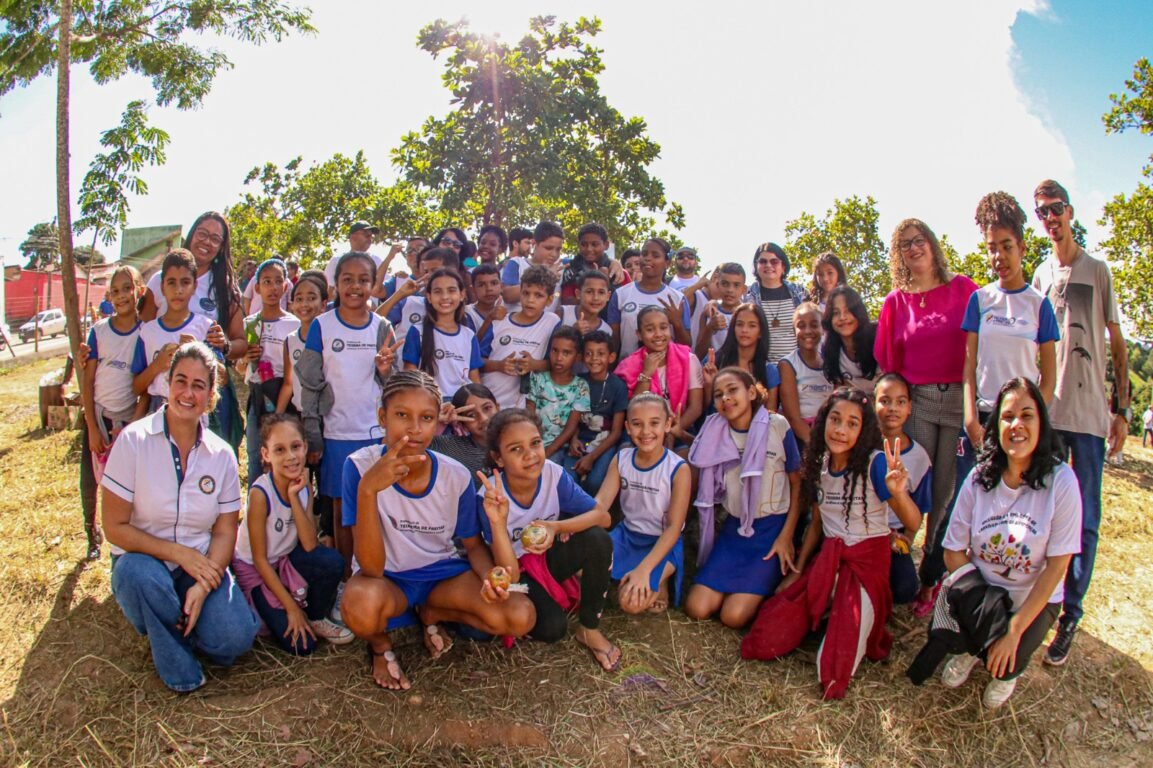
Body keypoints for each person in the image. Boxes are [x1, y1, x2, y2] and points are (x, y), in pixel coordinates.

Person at [341, 371, 535, 689]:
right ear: (382, 417)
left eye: (427, 418)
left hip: (441, 577)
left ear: (437, 422)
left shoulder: (454, 475)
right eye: (402, 415)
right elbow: (371, 568)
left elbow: (473, 545)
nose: (415, 428)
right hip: (388, 581)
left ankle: (430, 612)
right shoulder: (359, 467)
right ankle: (380, 646)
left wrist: (489, 579)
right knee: (360, 607)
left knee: (519, 615)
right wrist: (368, 490)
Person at [916, 191, 1061, 616]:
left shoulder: (1039, 306)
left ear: (1022, 246)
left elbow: (1049, 377)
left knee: (1011, 507)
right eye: (992, 248)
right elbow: (969, 365)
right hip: (981, 419)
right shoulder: (980, 301)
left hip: (1020, 424)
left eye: (1006, 246)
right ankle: (932, 581)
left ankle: (1006, 591)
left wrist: (1031, 420)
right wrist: (970, 419)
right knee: (960, 501)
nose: (999, 256)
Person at [741, 388, 922, 700]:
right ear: (823, 421)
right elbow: (817, 524)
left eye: (852, 424)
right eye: (835, 420)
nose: (840, 430)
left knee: (834, 668)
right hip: (831, 560)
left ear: (863, 430)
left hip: (866, 566)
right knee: (767, 637)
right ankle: (828, 606)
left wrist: (899, 492)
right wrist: (798, 572)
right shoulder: (820, 464)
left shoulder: (875, 463)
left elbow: (915, 522)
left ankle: (851, 616)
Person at [101, 342, 259, 692]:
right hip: (145, 564)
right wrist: (178, 554)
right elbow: (114, 528)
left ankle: (176, 618)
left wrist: (203, 587)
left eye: (199, 385)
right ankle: (178, 665)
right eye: (181, 381)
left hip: (198, 568)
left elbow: (225, 532)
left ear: (211, 396)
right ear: (167, 384)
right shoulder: (133, 440)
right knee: (136, 575)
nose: (188, 393)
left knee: (236, 638)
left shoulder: (222, 456)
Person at [1030, 179, 1129, 666]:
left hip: (1089, 416)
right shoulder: (1040, 275)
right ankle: (1039, 602)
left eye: (1055, 209)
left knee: (1086, 519)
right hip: (1049, 414)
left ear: (1070, 212)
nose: (1050, 218)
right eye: (1041, 212)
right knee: (1043, 511)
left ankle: (1071, 613)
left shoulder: (1098, 270)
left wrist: (1122, 409)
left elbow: (1118, 343)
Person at [938, 377, 1081, 708]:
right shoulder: (978, 478)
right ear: (996, 426)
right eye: (1007, 417)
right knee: (967, 638)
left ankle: (1009, 668)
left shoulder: (1062, 481)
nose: (1016, 425)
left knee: (1004, 665)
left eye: (1027, 415)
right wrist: (984, 610)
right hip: (983, 591)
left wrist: (1013, 630)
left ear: (1042, 423)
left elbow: (1057, 566)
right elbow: (952, 551)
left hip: (1033, 599)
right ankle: (972, 650)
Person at [875, 218, 978, 613]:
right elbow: (887, 362)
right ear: (898, 254)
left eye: (919, 240)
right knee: (913, 483)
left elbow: (980, 347)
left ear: (932, 244)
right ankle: (900, 556)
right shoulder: (895, 302)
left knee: (946, 494)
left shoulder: (964, 289)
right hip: (917, 400)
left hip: (958, 401)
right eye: (905, 244)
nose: (914, 248)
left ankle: (931, 577)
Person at [478, 409, 619, 671]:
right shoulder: (489, 498)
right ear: (498, 458)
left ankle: (589, 628)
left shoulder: (553, 475)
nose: (530, 455)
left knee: (597, 539)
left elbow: (603, 517)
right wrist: (498, 521)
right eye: (516, 449)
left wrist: (557, 527)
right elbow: (511, 574)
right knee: (553, 629)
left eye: (535, 443)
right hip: (519, 571)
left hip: (549, 557)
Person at [297, 252, 400, 598]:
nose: (355, 287)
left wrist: (386, 370)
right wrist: (313, 434)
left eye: (363, 280)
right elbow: (310, 384)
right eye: (347, 279)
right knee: (342, 511)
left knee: (374, 507)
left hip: (373, 434)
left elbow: (394, 385)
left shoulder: (382, 327)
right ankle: (345, 582)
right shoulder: (321, 326)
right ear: (336, 284)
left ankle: (374, 575)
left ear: (374, 284)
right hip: (336, 434)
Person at [684, 367, 802, 627]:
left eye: (732, 390)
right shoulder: (715, 431)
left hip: (771, 531)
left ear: (751, 392)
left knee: (733, 616)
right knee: (697, 608)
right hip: (734, 530)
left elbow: (797, 483)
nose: (725, 398)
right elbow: (699, 452)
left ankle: (757, 587)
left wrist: (786, 537)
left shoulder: (777, 425)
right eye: (718, 394)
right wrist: (676, 432)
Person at [232, 415, 352, 654]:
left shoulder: (304, 485)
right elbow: (259, 560)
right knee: (302, 646)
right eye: (279, 450)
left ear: (305, 447)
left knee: (332, 561)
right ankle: (284, 604)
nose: (290, 456)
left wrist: (295, 496)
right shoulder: (260, 494)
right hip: (257, 569)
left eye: (295, 447)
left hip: (284, 558)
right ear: (266, 454)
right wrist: (291, 609)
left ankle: (316, 616)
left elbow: (309, 545)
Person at [140, 212, 249, 450]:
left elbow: (241, 343)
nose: (207, 242)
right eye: (202, 233)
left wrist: (225, 345)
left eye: (215, 238)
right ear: (191, 235)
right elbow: (141, 332)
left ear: (221, 247)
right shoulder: (158, 281)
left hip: (207, 393)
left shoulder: (225, 288)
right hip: (163, 391)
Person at [596, 394, 690, 612]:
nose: (646, 432)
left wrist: (644, 570)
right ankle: (634, 574)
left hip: (662, 541)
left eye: (654, 423)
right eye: (637, 424)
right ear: (628, 428)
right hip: (627, 535)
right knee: (580, 567)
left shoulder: (678, 468)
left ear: (667, 424)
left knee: (631, 604)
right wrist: (571, 526)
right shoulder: (622, 459)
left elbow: (674, 527)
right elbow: (600, 504)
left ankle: (661, 577)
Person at [80, 265, 147, 560]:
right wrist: (92, 428)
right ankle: (91, 533)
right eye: (116, 291)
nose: (121, 296)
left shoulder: (145, 333)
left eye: (127, 289)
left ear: (139, 291)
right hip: (98, 416)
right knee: (89, 479)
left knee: (125, 483)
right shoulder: (99, 332)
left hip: (127, 421)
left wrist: (132, 425)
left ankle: (124, 537)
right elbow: (88, 381)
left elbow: (146, 387)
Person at [873, 373, 933, 605]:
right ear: (874, 404)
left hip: (894, 533)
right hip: (861, 530)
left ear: (909, 408)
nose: (892, 408)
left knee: (904, 588)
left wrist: (905, 539)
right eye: (885, 401)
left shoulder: (920, 458)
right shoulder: (860, 446)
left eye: (900, 402)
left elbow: (920, 510)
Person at [239, 259, 300, 488]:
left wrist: (279, 411)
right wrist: (247, 358)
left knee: (284, 457)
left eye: (277, 281)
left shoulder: (294, 324)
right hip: (257, 397)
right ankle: (256, 501)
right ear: (257, 288)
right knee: (256, 456)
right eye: (266, 282)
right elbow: (241, 369)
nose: (272, 288)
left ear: (285, 286)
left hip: (285, 397)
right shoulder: (249, 324)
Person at [132, 250, 216, 412]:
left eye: (185, 282)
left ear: (194, 286)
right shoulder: (148, 332)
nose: (178, 290)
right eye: (171, 282)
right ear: (162, 287)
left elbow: (222, 378)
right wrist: (157, 365)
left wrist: (198, 352)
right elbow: (136, 388)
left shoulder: (206, 328)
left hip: (193, 408)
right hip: (157, 410)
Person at [615, 306, 703, 448]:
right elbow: (633, 408)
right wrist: (646, 373)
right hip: (642, 429)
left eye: (663, 328)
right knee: (626, 450)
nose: (658, 334)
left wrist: (672, 432)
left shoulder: (688, 359)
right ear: (639, 334)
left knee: (683, 456)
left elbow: (695, 407)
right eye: (650, 329)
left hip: (681, 424)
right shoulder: (628, 365)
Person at [479, 265, 561, 409]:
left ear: (549, 300)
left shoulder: (551, 322)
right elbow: (477, 362)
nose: (530, 300)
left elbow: (556, 364)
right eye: (526, 293)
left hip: (521, 407)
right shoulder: (500, 321)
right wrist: (499, 365)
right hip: (490, 401)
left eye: (538, 295)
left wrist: (534, 364)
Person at [562, 330, 628, 494]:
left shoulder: (618, 386)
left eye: (600, 354)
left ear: (611, 357)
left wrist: (591, 457)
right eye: (589, 353)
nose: (594, 359)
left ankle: (594, 509)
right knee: (568, 479)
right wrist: (574, 439)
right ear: (582, 357)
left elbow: (616, 432)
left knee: (595, 482)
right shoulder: (579, 382)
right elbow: (574, 420)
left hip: (605, 443)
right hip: (581, 441)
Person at [402, 268, 482, 401]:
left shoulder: (469, 335)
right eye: (438, 291)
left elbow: (474, 378)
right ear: (429, 297)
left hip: (463, 406)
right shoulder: (417, 331)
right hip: (430, 404)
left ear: (462, 295)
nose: (445, 297)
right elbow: (410, 376)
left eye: (451, 290)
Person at [608, 238, 690, 358]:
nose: (648, 258)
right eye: (644, 254)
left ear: (667, 263)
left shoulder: (678, 298)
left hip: (666, 368)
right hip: (627, 368)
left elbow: (687, 347)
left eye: (655, 255)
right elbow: (614, 342)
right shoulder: (621, 294)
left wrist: (677, 323)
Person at [527, 326, 590, 462]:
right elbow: (529, 415)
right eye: (554, 350)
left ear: (578, 357)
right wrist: (534, 446)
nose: (559, 358)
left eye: (566, 353)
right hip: (531, 443)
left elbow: (570, 428)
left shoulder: (581, 386)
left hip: (558, 448)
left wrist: (546, 454)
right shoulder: (537, 378)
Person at [703, 302, 781, 412]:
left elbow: (770, 415)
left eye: (752, 325)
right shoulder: (715, 362)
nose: (744, 330)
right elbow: (704, 409)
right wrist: (710, 385)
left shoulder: (769, 371)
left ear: (760, 332)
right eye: (739, 324)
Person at [778, 302, 835, 448]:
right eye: (801, 326)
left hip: (830, 432)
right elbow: (793, 418)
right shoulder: (788, 364)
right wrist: (819, 450)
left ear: (823, 329)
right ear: (794, 331)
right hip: (802, 438)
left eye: (814, 325)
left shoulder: (831, 362)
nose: (808, 331)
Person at [743, 242, 806, 362]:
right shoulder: (747, 296)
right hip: (761, 364)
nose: (768, 265)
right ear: (756, 266)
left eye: (774, 261)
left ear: (783, 266)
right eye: (763, 261)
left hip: (796, 364)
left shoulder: (799, 292)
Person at [431, 383, 501, 482]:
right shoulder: (453, 447)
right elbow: (414, 445)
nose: (483, 418)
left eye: (487, 408)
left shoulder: (517, 436)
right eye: (471, 415)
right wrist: (435, 419)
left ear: (498, 407)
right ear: (462, 424)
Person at [821, 286, 878, 394]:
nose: (842, 317)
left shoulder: (877, 338)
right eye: (836, 313)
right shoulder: (830, 349)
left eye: (848, 311)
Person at [502, 222, 564, 308]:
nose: (554, 254)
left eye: (558, 249)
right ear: (534, 243)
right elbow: (507, 295)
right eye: (548, 248)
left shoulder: (561, 268)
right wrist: (545, 276)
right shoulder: (518, 264)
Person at [560, 223, 626, 304]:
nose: (589, 249)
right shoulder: (571, 271)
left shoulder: (619, 272)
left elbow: (628, 302)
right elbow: (567, 302)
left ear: (606, 245)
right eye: (584, 244)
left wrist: (607, 284)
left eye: (595, 244)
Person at [694, 263, 748, 361]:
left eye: (736, 285)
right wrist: (710, 328)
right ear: (718, 285)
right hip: (715, 369)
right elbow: (699, 355)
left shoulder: (749, 314)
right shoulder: (709, 312)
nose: (730, 290)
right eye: (725, 284)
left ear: (744, 289)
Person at [324, 221, 381, 295]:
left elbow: (386, 291)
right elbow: (328, 292)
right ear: (353, 237)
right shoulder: (337, 261)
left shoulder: (377, 261)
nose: (369, 238)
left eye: (371, 236)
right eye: (366, 234)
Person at [465, 263, 505, 335]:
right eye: (481, 285)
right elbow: (472, 341)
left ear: (501, 286)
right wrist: (489, 319)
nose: (489, 289)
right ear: (473, 289)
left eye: (494, 283)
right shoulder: (467, 313)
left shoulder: (507, 309)